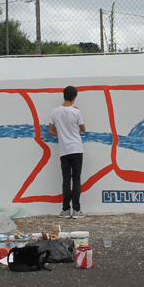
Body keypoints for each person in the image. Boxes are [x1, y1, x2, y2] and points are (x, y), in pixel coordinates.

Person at [48, 85, 86, 219]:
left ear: (64, 95)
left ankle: (65, 210)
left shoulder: (55, 111)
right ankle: (76, 210)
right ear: (74, 97)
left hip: (64, 150)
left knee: (66, 179)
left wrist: (62, 135)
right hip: (76, 148)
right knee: (76, 179)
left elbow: (50, 131)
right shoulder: (76, 112)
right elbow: (83, 129)